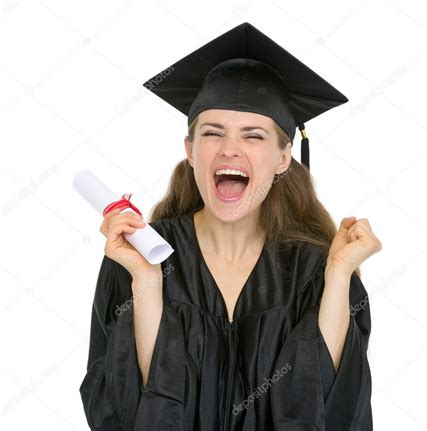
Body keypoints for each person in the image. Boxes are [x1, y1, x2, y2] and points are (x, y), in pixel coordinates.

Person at [79, 22, 382, 430]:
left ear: (283, 158)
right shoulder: (142, 253)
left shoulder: (313, 268)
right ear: (190, 150)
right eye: (212, 133)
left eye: (253, 136)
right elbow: (132, 409)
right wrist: (147, 282)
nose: (229, 149)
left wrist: (339, 274)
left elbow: (329, 407)